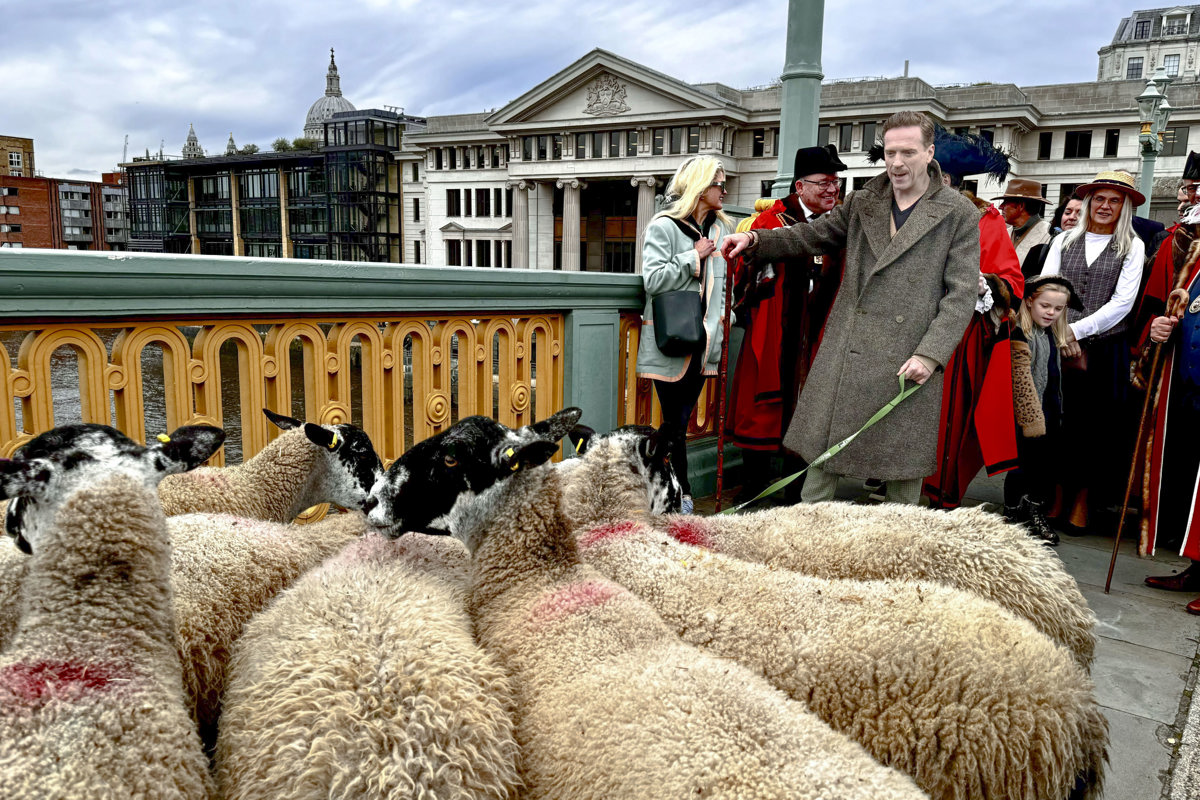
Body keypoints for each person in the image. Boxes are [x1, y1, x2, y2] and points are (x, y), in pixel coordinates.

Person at [720, 110, 979, 505]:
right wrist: (756, 242)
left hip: (911, 358)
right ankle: (806, 548)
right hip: (848, 350)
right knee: (822, 462)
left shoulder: (957, 212)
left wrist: (930, 355)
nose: (896, 163)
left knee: (901, 472)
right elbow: (811, 235)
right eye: (890, 152)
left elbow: (960, 295)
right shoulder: (863, 201)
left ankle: (897, 556)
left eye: (907, 152)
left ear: (929, 153)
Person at [726, 144, 847, 503]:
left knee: (811, 411)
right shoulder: (769, 223)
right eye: (824, 183)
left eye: (836, 184)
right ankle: (753, 490)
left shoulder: (840, 226)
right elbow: (742, 277)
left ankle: (797, 494)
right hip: (775, 334)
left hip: (821, 334)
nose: (832, 190)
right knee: (762, 410)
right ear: (799, 187)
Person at [919, 129, 1025, 510]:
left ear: (948, 179)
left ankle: (936, 493)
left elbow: (1012, 282)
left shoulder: (985, 219)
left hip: (957, 335)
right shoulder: (899, 211)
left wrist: (981, 284)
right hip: (901, 327)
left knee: (943, 417)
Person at [1039, 170, 1146, 532]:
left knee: (1095, 428)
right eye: (1099, 198)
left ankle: (1082, 502)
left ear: (1125, 207)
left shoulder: (1133, 246)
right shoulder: (1064, 240)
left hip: (1105, 350)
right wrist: (1058, 331)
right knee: (1058, 421)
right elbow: (1049, 287)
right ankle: (1053, 497)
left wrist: (1075, 331)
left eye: (1114, 200)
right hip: (1057, 343)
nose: (1105, 206)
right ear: (1088, 203)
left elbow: (1122, 304)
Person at [635, 155, 731, 515]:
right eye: (719, 183)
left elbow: (721, 288)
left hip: (706, 343)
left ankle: (662, 490)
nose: (724, 190)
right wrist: (692, 257)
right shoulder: (665, 226)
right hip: (672, 341)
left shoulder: (722, 231)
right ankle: (682, 496)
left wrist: (726, 318)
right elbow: (653, 281)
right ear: (700, 187)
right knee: (676, 423)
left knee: (678, 422)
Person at [1138, 154, 1200, 613]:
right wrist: (1165, 327)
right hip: (1189, 381)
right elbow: (1180, 312)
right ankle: (1198, 568)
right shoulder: (1194, 261)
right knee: (1190, 479)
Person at [1004, 276, 1083, 546]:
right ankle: (1012, 515)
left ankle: (1033, 510)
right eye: (1045, 306)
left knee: (1044, 466)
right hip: (1027, 415)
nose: (1051, 313)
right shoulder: (1019, 332)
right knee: (1021, 466)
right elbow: (1021, 381)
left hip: (1050, 409)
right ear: (1029, 301)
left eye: (1058, 309)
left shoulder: (1050, 333)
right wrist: (1031, 421)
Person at [993, 179, 1052, 273]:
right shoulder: (1005, 233)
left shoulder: (1048, 236)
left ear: (1020, 206)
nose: (1000, 207)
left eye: (1006, 202)